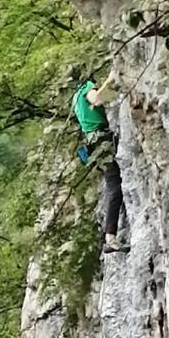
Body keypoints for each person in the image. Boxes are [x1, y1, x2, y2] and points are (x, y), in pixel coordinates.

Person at [70, 66, 128, 253]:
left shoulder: (75, 97)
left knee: (112, 185)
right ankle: (110, 236)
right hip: (101, 140)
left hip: (93, 143)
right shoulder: (87, 87)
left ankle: (109, 235)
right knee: (114, 186)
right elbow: (96, 98)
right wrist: (111, 79)